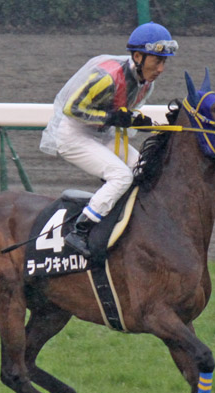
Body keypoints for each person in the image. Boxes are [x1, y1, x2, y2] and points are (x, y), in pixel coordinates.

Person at [40, 22, 177, 257]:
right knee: (121, 176)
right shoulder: (108, 77)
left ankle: (128, 224)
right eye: (157, 61)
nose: (161, 69)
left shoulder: (147, 85)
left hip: (102, 134)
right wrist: (112, 117)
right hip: (74, 135)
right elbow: (72, 109)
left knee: (144, 169)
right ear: (138, 57)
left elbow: (123, 113)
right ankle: (80, 230)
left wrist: (136, 120)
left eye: (164, 62)